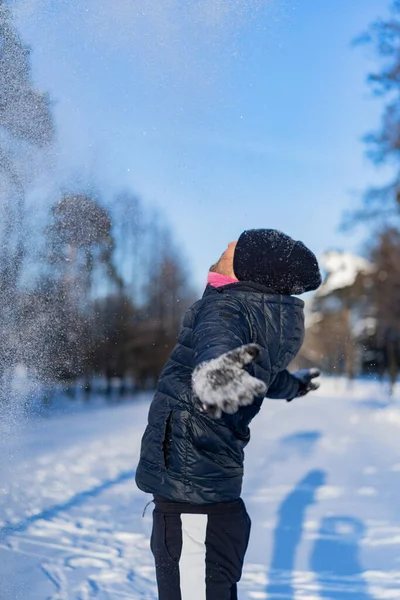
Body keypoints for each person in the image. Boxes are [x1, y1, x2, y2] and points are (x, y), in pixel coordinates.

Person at [135, 229, 322, 600]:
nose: (222, 250)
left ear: (248, 270)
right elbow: (265, 375)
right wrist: (294, 385)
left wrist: (216, 380)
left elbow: (217, 363)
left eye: (231, 249)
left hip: (193, 502)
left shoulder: (225, 307)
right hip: (208, 500)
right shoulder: (261, 315)